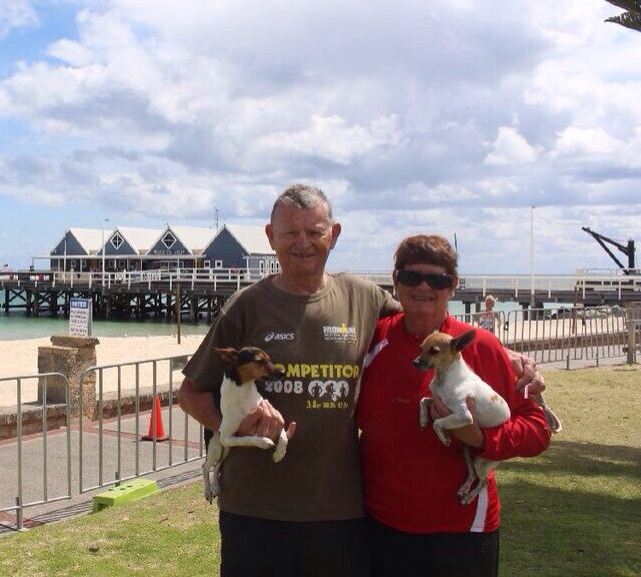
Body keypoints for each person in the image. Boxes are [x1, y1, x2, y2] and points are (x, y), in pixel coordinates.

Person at [179, 183, 401, 576]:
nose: (303, 243)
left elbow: (428, 329)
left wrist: (502, 357)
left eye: (314, 232)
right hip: (254, 509)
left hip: (339, 509)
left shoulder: (364, 298)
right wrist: (232, 425)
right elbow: (191, 392)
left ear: (333, 234)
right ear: (270, 237)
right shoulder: (246, 306)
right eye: (290, 232)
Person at [357, 235, 551, 576]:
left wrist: (481, 440)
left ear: (454, 286)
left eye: (438, 280)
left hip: (464, 531)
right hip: (381, 526)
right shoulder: (371, 340)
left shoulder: (483, 348)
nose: (423, 287)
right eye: (411, 277)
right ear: (395, 281)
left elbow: (537, 431)